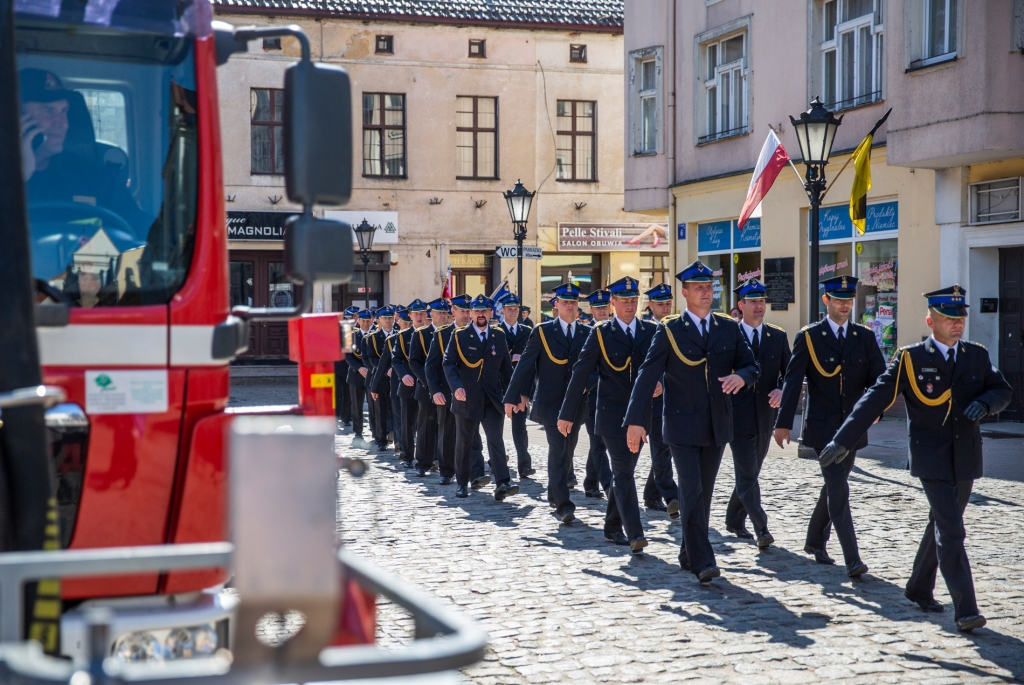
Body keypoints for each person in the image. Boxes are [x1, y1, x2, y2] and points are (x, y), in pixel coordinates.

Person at [819, 285, 1011, 632]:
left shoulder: (976, 355)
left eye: (960, 318)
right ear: (930, 320)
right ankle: (966, 609)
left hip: (965, 455)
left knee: (941, 522)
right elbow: (874, 400)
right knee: (952, 529)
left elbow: (1002, 390)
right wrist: (841, 440)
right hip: (931, 457)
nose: (957, 324)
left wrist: (986, 403)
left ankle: (919, 586)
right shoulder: (911, 358)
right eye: (948, 318)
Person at [624, 260, 758, 583]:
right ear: (684, 292)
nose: (706, 293)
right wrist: (635, 420)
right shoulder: (669, 330)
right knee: (691, 490)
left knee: (705, 492)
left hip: (716, 425)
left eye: (710, 287)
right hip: (681, 427)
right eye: (699, 288)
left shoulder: (728, 327)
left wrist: (741, 377)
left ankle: (687, 551)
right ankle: (702, 560)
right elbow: (647, 375)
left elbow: (751, 366)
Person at [773, 275, 886, 577]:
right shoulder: (809, 336)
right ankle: (853, 558)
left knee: (834, 484)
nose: (845, 306)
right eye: (839, 300)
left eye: (849, 300)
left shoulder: (863, 337)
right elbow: (793, 381)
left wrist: (877, 410)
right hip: (823, 429)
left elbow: (880, 380)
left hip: (852, 427)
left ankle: (813, 541)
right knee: (839, 488)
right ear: (826, 301)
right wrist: (783, 424)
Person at [559, 277, 659, 552]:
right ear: (612, 302)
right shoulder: (601, 333)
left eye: (633, 300)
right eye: (624, 301)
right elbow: (580, 373)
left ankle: (612, 526)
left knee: (624, 471)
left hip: (641, 416)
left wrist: (660, 382)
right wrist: (566, 413)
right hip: (611, 415)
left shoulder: (651, 331)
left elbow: (662, 367)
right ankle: (635, 532)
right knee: (624, 472)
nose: (629, 305)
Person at [504, 284, 589, 521]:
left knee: (569, 451)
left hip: (577, 404)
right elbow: (525, 365)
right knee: (558, 450)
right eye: (565, 302)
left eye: (573, 302)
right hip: (551, 403)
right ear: (557, 306)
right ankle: (563, 505)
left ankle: (554, 491)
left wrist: (587, 384)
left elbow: (596, 367)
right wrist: (512, 396)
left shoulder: (587, 333)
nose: (570, 306)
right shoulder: (542, 331)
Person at [723, 278, 791, 548]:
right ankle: (761, 528)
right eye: (752, 301)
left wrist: (782, 391)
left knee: (750, 472)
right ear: (741, 305)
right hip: (735, 416)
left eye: (762, 301)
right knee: (748, 473)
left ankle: (733, 518)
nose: (759, 306)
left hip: (765, 415)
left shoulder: (777, 336)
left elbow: (790, 374)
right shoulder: (728, 334)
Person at [443, 295, 519, 501]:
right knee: (464, 442)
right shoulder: (459, 336)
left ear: (491, 313)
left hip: (492, 399)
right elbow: (448, 363)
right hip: (466, 398)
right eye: (477, 312)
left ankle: (503, 482)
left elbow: (506, 369)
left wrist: (514, 395)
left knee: (496, 440)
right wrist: (456, 387)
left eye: (484, 311)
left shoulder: (498, 336)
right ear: (471, 314)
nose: (481, 315)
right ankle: (462, 483)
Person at [427, 295, 490, 488]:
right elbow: (431, 366)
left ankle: (477, 474)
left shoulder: (478, 332)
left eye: (466, 311)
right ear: (452, 311)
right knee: (447, 432)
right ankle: (447, 471)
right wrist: (435, 390)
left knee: (473, 435)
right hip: (447, 393)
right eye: (461, 311)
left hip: (473, 394)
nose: (464, 315)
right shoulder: (442, 334)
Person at [640, 283, 680, 519]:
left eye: (668, 303)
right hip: (651, 399)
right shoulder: (645, 330)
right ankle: (672, 495)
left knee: (665, 449)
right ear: (651, 306)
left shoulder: (677, 328)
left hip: (674, 398)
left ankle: (651, 494)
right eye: (660, 304)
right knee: (661, 448)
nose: (665, 308)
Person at [408, 298, 448, 477]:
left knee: (447, 427)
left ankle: (444, 460)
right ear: (430, 314)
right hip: (426, 387)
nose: (443, 316)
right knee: (425, 426)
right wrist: (429, 384)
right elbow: (415, 362)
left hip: (448, 387)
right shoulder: (421, 334)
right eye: (439, 313)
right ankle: (422, 462)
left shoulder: (452, 333)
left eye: (445, 313)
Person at [497, 293, 535, 477]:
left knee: (520, 427)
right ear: (502, 310)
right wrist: (509, 358)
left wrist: (526, 393)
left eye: (516, 309)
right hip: (498, 386)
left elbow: (532, 366)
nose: (513, 312)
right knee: (495, 427)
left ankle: (524, 465)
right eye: (509, 309)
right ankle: (497, 458)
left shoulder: (527, 332)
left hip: (520, 387)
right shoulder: (496, 332)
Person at [582, 289, 612, 499]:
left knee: (599, 443)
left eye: (605, 307)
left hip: (614, 399)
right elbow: (584, 368)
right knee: (598, 443)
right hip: (591, 398)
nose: (602, 311)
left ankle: (590, 482)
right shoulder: (586, 333)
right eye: (598, 308)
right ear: (591, 310)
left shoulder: (616, 330)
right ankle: (609, 486)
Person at [364, 306, 396, 451]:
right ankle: (381, 439)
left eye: (390, 318)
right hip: (381, 378)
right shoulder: (373, 338)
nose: (388, 321)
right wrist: (385, 370)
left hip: (397, 378)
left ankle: (396, 436)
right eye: (385, 318)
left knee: (396, 409)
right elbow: (371, 359)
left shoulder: (399, 335)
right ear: (379, 320)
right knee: (381, 410)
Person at [345, 309, 374, 447]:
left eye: (368, 321)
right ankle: (358, 432)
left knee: (374, 405)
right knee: (356, 405)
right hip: (356, 375)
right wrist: (359, 368)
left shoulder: (375, 335)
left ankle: (376, 431)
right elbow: (347, 356)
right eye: (363, 321)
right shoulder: (350, 335)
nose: (366, 323)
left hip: (372, 374)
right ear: (359, 321)